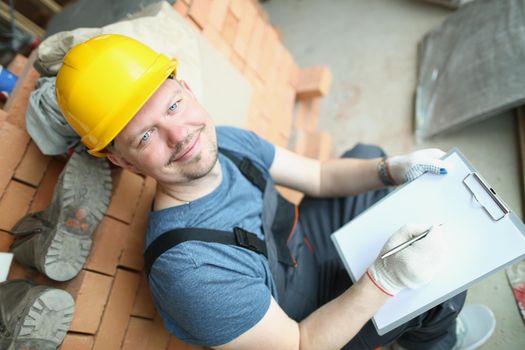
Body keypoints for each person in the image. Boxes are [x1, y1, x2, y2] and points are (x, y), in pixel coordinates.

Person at [53, 34, 496, 350]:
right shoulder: (191, 274)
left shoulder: (226, 141)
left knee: (366, 155)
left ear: (185, 88)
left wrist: (390, 170)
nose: (179, 134)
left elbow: (320, 176)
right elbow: (300, 344)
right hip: (305, 321)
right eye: (146, 136)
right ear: (123, 161)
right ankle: (439, 342)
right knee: (437, 288)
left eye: (173, 106)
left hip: (304, 247)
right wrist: (385, 281)